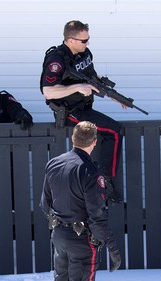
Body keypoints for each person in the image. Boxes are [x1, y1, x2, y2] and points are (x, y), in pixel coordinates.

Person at [40, 20, 126, 202]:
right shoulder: (56, 60)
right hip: (70, 110)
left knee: (110, 131)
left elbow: (92, 78)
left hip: (84, 106)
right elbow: (48, 91)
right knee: (114, 131)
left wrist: (112, 94)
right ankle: (105, 179)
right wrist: (78, 87)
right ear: (70, 40)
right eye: (83, 40)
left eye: (88, 39)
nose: (87, 43)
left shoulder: (84, 54)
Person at [40, 121, 121, 281]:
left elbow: (44, 204)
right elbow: (97, 216)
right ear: (95, 141)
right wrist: (113, 248)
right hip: (81, 240)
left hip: (59, 236)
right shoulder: (91, 172)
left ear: (72, 138)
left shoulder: (54, 163)